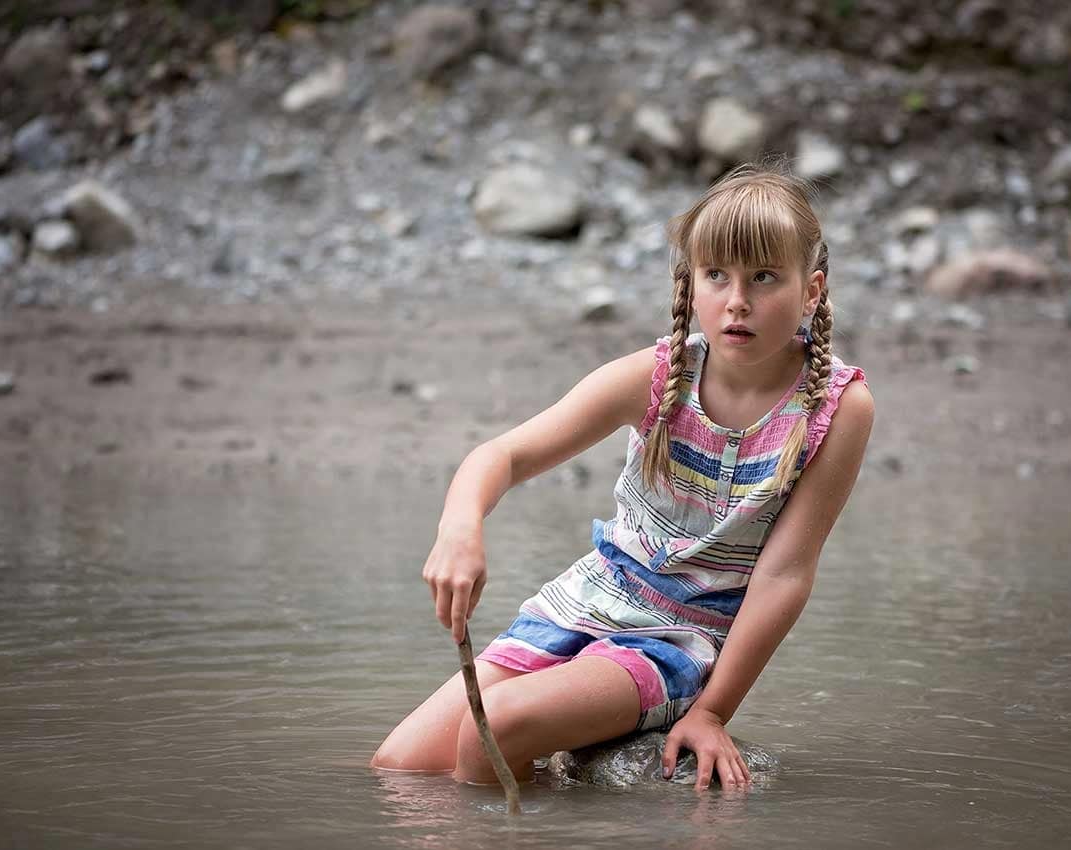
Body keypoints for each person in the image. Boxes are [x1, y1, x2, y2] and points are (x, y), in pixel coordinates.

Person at [370, 162, 874, 792]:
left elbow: (784, 573)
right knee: (399, 770)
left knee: (491, 730)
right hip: (587, 601)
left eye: (764, 277)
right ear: (691, 285)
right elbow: (503, 456)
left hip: (684, 635)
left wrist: (714, 711)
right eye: (716, 275)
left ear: (812, 291)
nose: (737, 299)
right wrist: (459, 526)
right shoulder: (658, 375)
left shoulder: (837, 407)